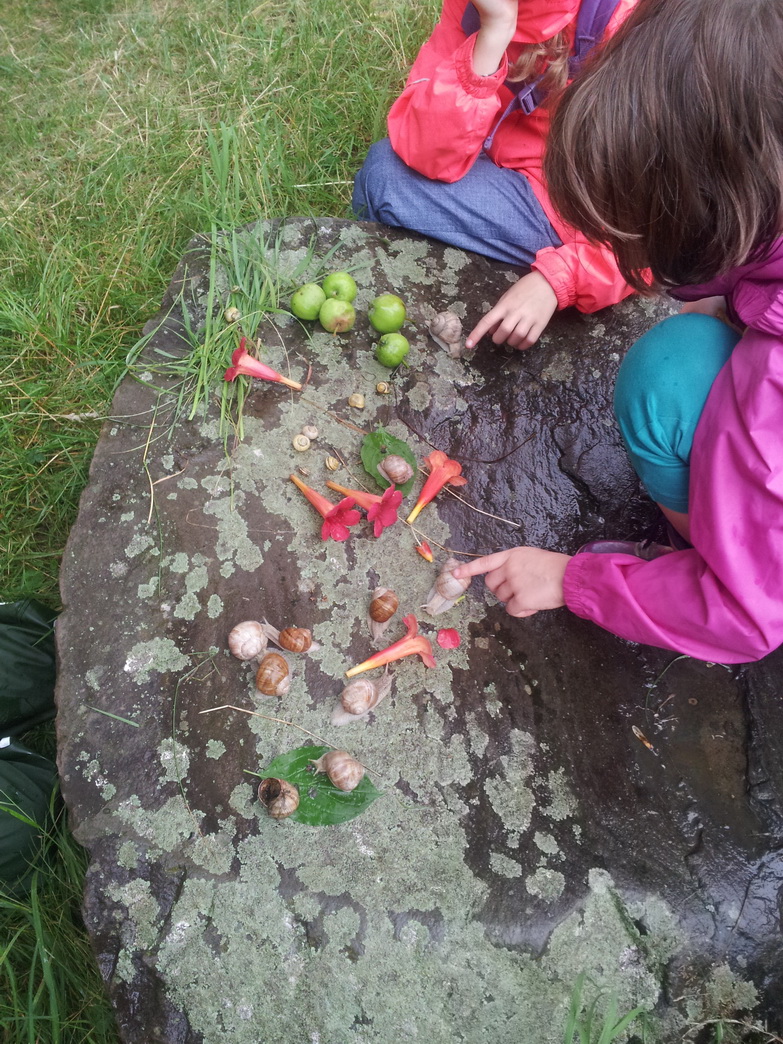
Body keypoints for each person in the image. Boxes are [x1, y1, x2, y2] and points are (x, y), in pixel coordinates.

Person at [453, 0, 783, 664]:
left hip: (757, 598)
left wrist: (573, 580)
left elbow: (748, 619)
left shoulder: (767, 388)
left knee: (666, 372)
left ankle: (707, 558)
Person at [352, 0, 638, 350]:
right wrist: (495, 31)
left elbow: (668, 223)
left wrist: (560, 278)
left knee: (383, 183)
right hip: (509, 174)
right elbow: (425, 153)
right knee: (383, 177)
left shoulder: (628, 21)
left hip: (580, 221)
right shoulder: (477, 7)